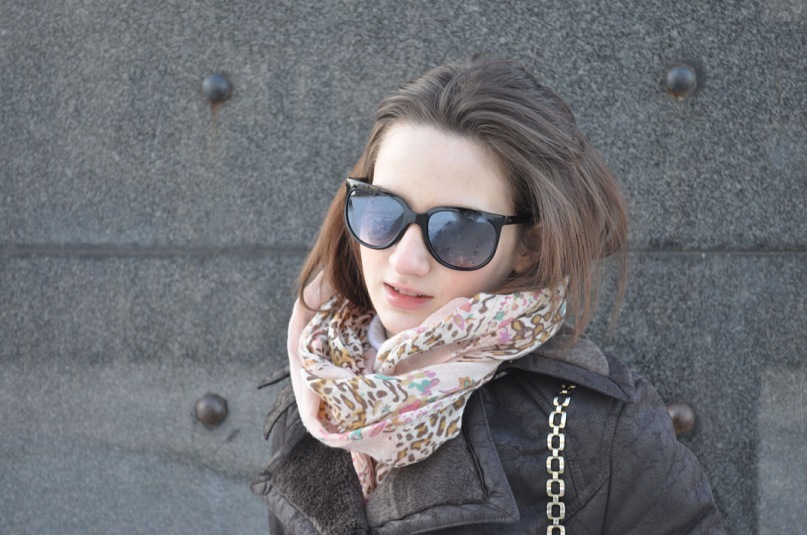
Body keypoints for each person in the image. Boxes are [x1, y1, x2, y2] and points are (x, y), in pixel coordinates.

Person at [252, 56, 725, 534]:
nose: (405, 260)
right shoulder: (316, 390)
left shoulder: (594, 429)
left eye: (458, 229)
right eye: (383, 209)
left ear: (528, 247)